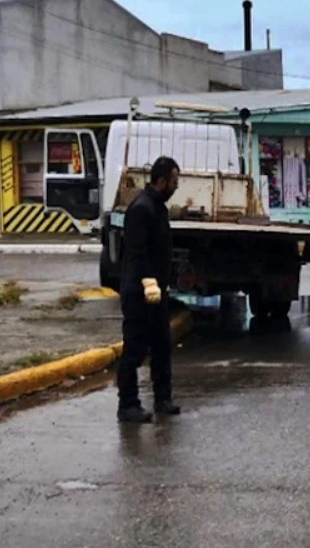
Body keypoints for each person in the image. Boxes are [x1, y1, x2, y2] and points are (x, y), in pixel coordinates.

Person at [117, 156, 181, 423]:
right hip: (139, 292)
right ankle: (128, 404)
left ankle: (163, 398)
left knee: (161, 345)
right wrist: (148, 282)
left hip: (157, 292)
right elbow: (137, 252)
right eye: (174, 181)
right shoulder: (141, 209)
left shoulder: (157, 207)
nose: (176, 186)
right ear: (162, 181)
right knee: (135, 348)